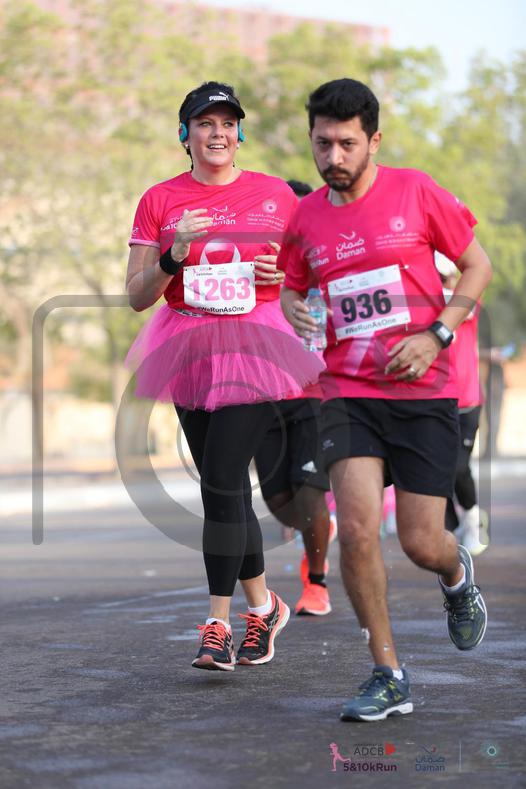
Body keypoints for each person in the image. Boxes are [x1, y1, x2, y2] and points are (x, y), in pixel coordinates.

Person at [279, 78, 492, 721]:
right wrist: (292, 307)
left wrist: (437, 335)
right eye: (323, 143)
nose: (334, 156)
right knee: (357, 530)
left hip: (424, 391)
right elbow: (291, 285)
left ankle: (456, 576)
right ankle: (387, 672)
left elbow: (477, 266)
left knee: (423, 542)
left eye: (347, 143)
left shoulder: (416, 191)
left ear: (374, 141)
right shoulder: (305, 217)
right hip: (347, 392)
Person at [125, 81, 323, 671]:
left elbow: (308, 270)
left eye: (228, 124)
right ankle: (264, 607)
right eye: (205, 123)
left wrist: (282, 276)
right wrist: (173, 255)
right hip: (186, 344)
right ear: (184, 135)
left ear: (241, 134)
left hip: (255, 344)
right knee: (227, 487)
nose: (218, 134)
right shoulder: (159, 200)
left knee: (218, 481)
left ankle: (217, 624)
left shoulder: (275, 195)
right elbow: (137, 296)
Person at [254, 179, 333, 617]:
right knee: (280, 503)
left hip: (316, 390)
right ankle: (318, 527)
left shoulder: (328, 258)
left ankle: (316, 583)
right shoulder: (259, 258)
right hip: (265, 392)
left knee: (310, 490)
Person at [436, 254, 489, 556]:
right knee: (435, 470)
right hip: (435, 402)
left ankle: (472, 523)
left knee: (457, 467)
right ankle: (452, 528)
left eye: (445, 278)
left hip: (467, 402)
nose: (443, 283)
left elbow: (474, 270)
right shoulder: (421, 304)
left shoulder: (465, 300)